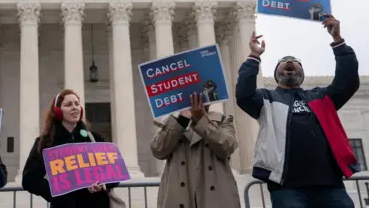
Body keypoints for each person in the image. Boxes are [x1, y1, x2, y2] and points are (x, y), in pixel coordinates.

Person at [235, 14, 360, 208]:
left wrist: (338, 41)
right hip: (287, 188)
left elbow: (348, 81)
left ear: (302, 74)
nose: (290, 62)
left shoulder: (321, 97)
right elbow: (243, 95)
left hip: (330, 186)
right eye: (284, 62)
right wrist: (254, 57)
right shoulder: (266, 100)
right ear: (276, 75)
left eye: (295, 61)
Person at [22, 89, 120, 208]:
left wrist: (103, 185)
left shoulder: (95, 138)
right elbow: (29, 179)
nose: (74, 107)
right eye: (68, 104)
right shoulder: (46, 143)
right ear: (57, 111)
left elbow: (115, 174)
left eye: (77, 104)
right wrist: (56, 193)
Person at [151, 92, 241, 208]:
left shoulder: (222, 121)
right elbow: (158, 150)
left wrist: (201, 120)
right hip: (179, 197)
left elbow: (226, 147)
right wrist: (181, 121)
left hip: (216, 198)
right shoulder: (174, 122)